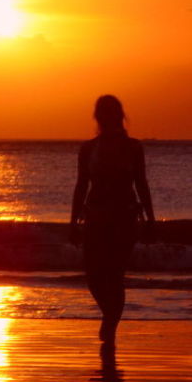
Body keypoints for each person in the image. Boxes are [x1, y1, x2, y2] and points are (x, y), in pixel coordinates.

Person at [69, 95, 155, 346]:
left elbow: (142, 184)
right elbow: (81, 186)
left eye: (111, 112)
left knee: (115, 275)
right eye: (102, 112)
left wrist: (151, 219)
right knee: (93, 276)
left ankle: (110, 326)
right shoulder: (88, 149)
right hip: (95, 218)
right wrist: (73, 223)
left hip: (124, 218)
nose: (106, 117)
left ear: (119, 115)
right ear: (97, 117)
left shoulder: (133, 148)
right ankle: (110, 317)